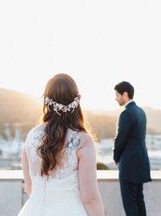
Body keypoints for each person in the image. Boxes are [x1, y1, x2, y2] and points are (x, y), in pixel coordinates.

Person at [18, 73, 104, 216]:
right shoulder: (82, 140)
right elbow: (90, 198)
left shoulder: (31, 136)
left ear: (46, 101)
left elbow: (29, 187)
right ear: (76, 101)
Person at [113, 81, 152, 216]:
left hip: (129, 165)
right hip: (141, 163)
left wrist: (116, 157)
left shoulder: (126, 113)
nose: (116, 98)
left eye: (117, 95)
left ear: (125, 94)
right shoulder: (141, 112)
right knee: (139, 200)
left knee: (129, 203)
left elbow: (120, 139)